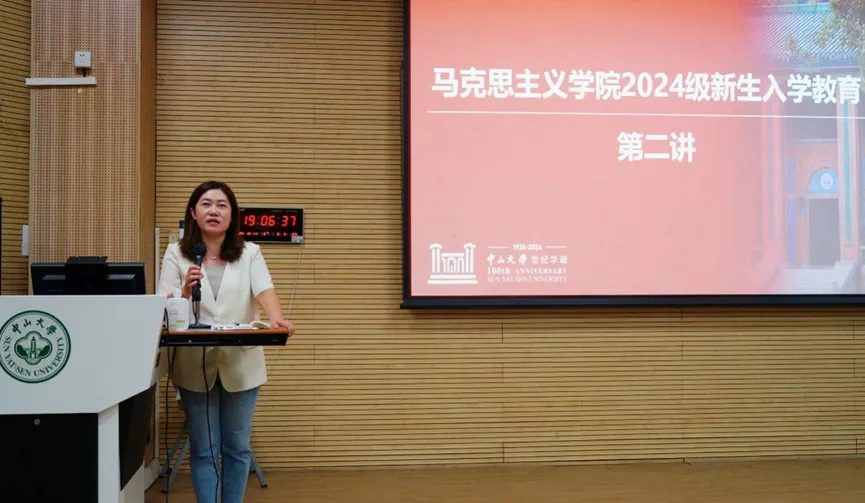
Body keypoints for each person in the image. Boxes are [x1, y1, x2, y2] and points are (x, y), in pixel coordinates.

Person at [157, 181, 295, 503]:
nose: (214, 211)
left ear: (232, 216)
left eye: (222, 205)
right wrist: (184, 291)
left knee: (237, 448)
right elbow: (163, 302)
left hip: (241, 363)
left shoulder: (249, 253)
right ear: (193, 213)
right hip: (194, 365)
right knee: (204, 449)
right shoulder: (177, 252)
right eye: (206, 204)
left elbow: (264, 290)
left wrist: (277, 318)